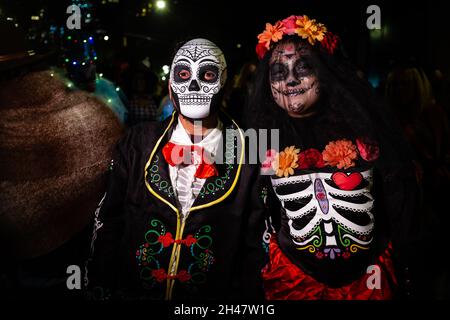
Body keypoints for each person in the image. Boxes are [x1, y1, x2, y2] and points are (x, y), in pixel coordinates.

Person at [245, 15, 422, 300]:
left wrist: (410, 271)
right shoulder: (258, 135)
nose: (291, 79)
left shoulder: (365, 129)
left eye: (303, 67)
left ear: (326, 74)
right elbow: (220, 171)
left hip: (369, 283)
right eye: (278, 71)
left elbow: (403, 207)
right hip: (292, 281)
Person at [85, 38, 267, 300]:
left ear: (224, 84)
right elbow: (109, 222)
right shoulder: (138, 142)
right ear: (171, 87)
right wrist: (101, 286)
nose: (193, 84)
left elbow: (256, 248)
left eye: (207, 74)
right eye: (183, 74)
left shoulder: (251, 147)